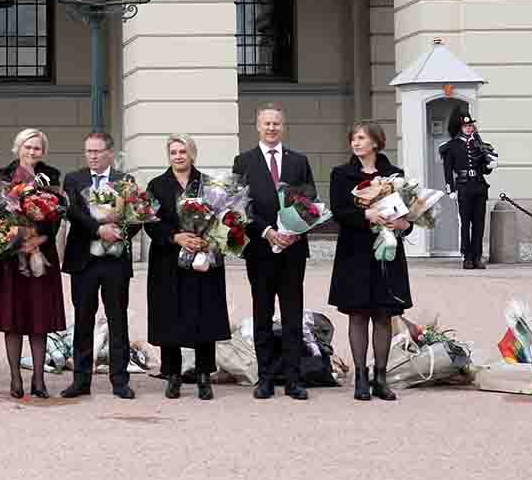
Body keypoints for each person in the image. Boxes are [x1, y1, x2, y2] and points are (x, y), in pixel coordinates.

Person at [232, 105, 316, 400]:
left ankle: (294, 379)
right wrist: (268, 232)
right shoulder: (244, 161)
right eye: (266, 123)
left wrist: (293, 231)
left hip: (293, 250)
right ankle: (265, 378)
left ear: (283, 126)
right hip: (260, 249)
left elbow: (310, 202)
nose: (271, 128)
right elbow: (240, 207)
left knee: (293, 315)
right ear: (257, 126)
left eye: (276, 123)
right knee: (262, 314)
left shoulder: (299, 161)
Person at [329, 121, 414, 402]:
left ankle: (381, 376)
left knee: (383, 314)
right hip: (355, 252)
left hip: (387, 254)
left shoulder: (395, 175)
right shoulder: (341, 175)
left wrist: (403, 224)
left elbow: (408, 215)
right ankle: (361, 378)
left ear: (376, 143)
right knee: (358, 314)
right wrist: (366, 216)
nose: (356, 143)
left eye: (362, 138)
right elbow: (339, 212)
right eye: (353, 138)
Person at [145, 135, 229, 400]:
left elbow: (225, 217)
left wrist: (209, 238)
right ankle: (172, 375)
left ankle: (204, 375)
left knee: (204, 314)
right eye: (173, 152)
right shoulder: (157, 185)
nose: (178, 156)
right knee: (169, 315)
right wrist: (176, 237)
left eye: (183, 151)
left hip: (204, 258)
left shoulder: (209, 185)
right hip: (168, 261)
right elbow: (150, 221)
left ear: (192, 154)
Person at [0, 129, 67, 398]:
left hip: (41, 251)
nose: (32, 152)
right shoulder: (3, 177)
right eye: (28, 147)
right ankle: (15, 379)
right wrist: (16, 239)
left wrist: (38, 239)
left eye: (37, 148)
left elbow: (57, 213)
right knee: (13, 318)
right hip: (10, 256)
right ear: (18, 148)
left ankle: (40, 380)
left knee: (39, 318)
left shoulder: (51, 176)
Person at [61, 131, 136, 399]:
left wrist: (117, 233)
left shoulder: (125, 181)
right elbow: (74, 213)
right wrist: (98, 230)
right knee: (83, 320)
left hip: (115, 261)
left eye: (97, 151)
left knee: (118, 320)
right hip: (84, 261)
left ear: (109, 154)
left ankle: (120, 380)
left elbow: (137, 217)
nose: (92, 156)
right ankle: (81, 380)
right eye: (88, 152)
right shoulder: (73, 179)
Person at [440, 110, 495, 270]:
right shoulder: (451, 146)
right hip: (463, 187)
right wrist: (450, 189)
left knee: (479, 224)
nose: (469, 128)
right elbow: (447, 169)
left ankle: (478, 256)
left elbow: (484, 169)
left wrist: (489, 166)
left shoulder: (479, 145)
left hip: (479, 186)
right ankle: (467, 256)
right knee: (465, 224)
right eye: (466, 126)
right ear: (460, 128)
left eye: (470, 125)